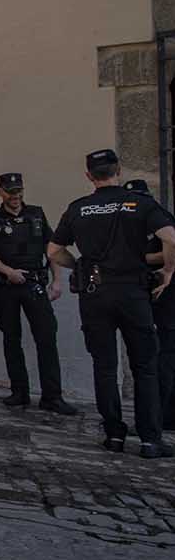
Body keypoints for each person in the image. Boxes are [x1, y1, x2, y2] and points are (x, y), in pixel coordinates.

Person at [48, 150, 175, 457]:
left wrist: (78, 263)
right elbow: (171, 236)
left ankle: (114, 436)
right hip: (133, 292)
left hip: (95, 294)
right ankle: (149, 440)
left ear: (89, 176)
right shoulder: (140, 203)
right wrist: (168, 271)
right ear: (118, 169)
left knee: (104, 367)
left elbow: (53, 250)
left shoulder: (78, 208)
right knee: (145, 366)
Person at [0, 173, 76, 414]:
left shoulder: (36, 215)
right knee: (11, 338)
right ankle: (19, 392)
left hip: (34, 284)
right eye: (10, 192)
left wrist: (57, 281)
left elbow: (51, 249)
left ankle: (52, 396)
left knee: (46, 336)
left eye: (19, 191)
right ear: (0, 192)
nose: (16, 196)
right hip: (6, 286)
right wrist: (8, 271)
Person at [124, 178, 175, 429]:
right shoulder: (126, 221)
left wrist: (145, 259)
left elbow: (171, 246)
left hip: (162, 293)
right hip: (140, 292)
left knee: (161, 358)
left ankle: (161, 417)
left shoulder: (159, 217)